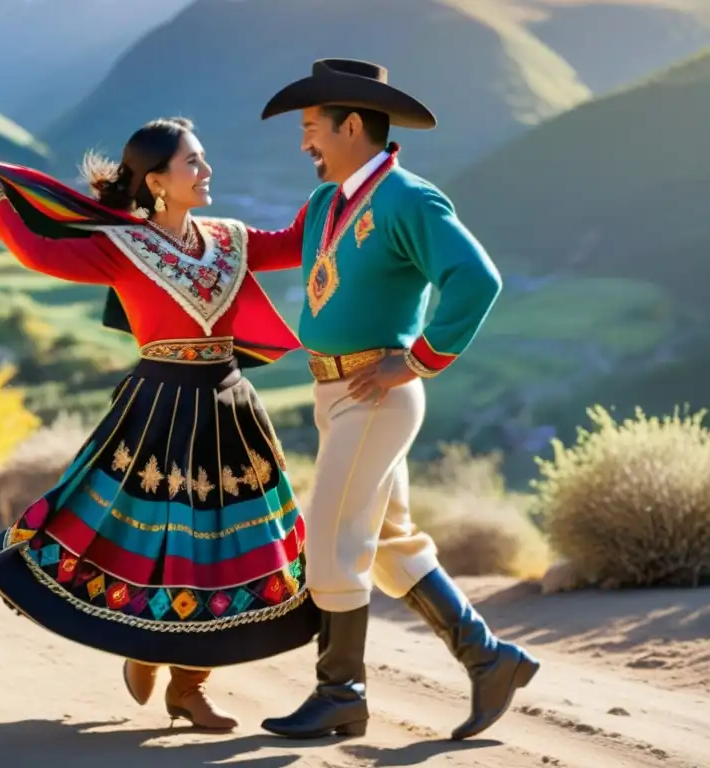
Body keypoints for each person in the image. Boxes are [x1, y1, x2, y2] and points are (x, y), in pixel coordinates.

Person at [0, 116, 319, 732]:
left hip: (230, 408)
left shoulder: (230, 239)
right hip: (158, 412)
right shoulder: (123, 245)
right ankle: (146, 642)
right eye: (193, 163)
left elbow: (293, 243)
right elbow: (43, 253)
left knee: (229, 550)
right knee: (166, 543)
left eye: (204, 160)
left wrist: (341, 189)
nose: (207, 172)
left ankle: (189, 687)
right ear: (157, 181)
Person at [247, 59, 541, 740]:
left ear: (352, 126)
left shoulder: (411, 199)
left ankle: (341, 694)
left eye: (311, 127)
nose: (304, 143)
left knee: (331, 536)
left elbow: (476, 278)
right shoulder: (327, 202)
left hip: (375, 395)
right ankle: (489, 659)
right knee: (386, 541)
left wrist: (417, 360)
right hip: (339, 395)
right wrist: (188, 235)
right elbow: (281, 247)